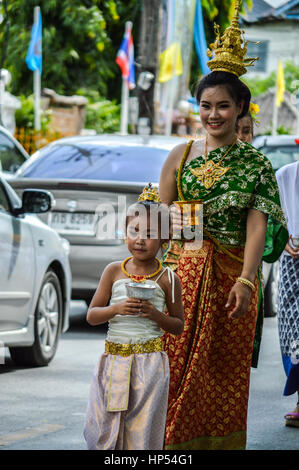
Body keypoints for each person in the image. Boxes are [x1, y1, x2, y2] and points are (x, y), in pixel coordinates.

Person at [159, 1, 288, 450]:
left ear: (240, 109)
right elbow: (158, 218)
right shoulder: (178, 156)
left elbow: (257, 228)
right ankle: (165, 448)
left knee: (219, 377)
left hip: (230, 281)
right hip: (177, 281)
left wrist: (248, 282)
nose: (213, 115)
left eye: (223, 107)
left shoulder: (256, 164)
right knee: (168, 373)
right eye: (205, 106)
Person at [83, 185, 184, 450]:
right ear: (124, 232)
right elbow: (92, 316)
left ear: (165, 238)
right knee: (103, 428)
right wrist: (116, 309)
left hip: (149, 365)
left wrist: (155, 315)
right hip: (113, 360)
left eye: (150, 234)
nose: (140, 239)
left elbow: (178, 325)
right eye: (134, 231)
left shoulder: (168, 278)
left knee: (142, 432)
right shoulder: (113, 271)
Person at [276, 161, 299, 428]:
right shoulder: (285, 176)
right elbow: (269, 222)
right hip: (292, 263)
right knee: (293, 332)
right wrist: (282, 241)